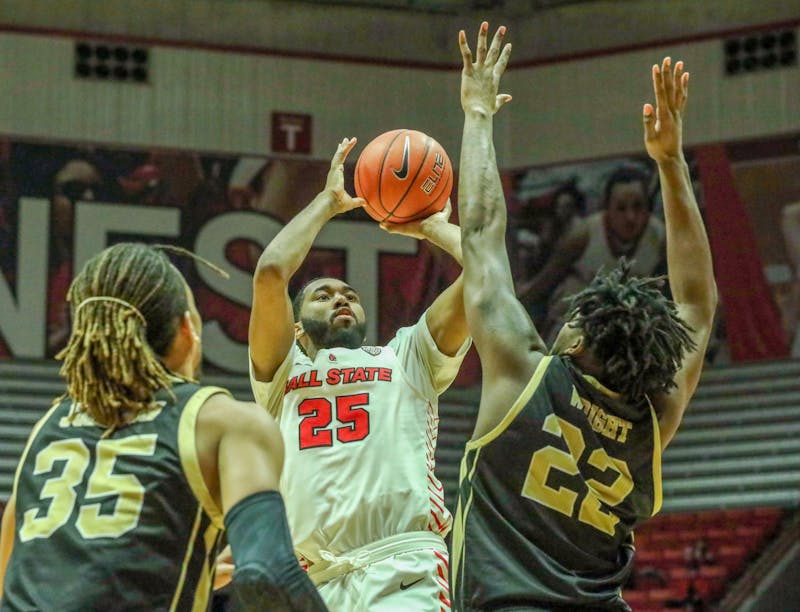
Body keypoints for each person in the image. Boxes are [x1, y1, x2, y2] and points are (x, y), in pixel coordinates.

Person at [451, 22, 717, 610]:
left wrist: (477, 114)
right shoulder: (654, 418)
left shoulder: (524, 380)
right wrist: (670, 165)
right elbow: (697, 302)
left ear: (572, 343)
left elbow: (479, 231)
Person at [0, 242, 326, 611]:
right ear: (189, 330)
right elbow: (266, 573)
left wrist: (193, 572)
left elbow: (13, 573)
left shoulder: (50, 425)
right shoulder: (225, 420)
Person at [242, 137, 469, 610]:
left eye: (349, 294)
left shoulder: (407, 356)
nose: (341, 298)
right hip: (313, 580)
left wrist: (432, 228)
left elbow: (486, 274)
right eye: (323, 296)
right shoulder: (282, 375)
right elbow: (269, 273)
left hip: (402, 567)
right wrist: (327, 203)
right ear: (298, 329)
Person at [517, 165, 666, 344]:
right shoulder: (582, 235)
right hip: (578, 322)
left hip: (629, 324)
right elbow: (543, 284)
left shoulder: (659, 236)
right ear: (607, 208)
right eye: (621, 208)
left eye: (638, 207)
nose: (630, 217)